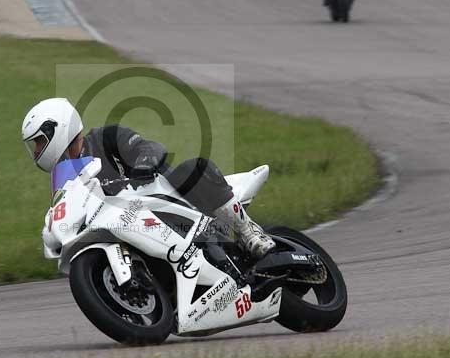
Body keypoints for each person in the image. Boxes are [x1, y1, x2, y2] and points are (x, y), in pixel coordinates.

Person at [21, 97, 275, 258]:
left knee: (191, 169)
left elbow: (149, 147)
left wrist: (143, 164)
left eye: (39, 142)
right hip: (128, 228)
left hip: (166, 202)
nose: (36, 151)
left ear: (58, 129)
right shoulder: (65, 178)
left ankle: (248, 231)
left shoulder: (106, 138)